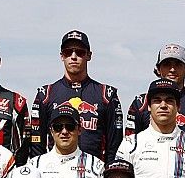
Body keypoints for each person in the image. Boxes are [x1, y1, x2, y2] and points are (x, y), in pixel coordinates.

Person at [30, 30, 123, 163]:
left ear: (89, 55)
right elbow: (37, 144)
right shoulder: (45, 94)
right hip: (55, 172)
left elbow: (115, 144)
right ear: (62, 56)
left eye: (79, 52)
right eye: (68, 52)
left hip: (95, 174)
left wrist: (107, 175)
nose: (73, 57)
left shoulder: (106, 94)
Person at [126, 43, 185, 170]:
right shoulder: (141, 102)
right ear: (158, 69)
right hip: (148, 176)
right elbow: (129, 145)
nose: (172, 69)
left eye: (177, 64)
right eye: (166, 64)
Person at [26, 103, 105, 178]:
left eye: (70, 126)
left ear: (79, 129)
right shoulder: (35, 165)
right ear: (51, 131)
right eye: (58, 127)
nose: (64, 132)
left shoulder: (96, 165)